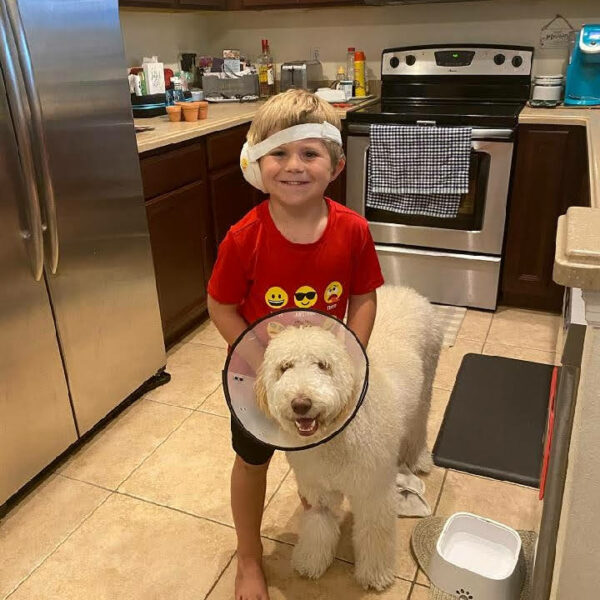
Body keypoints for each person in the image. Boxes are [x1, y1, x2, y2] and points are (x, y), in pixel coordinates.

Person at [207, 88, 384, 600]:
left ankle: (315, 510)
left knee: (318, 450)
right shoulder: (244, 238)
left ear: (336, 165)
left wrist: (351, 358)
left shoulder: (352, 230)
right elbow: (220, 306)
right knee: (253, 460)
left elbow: (364, 297)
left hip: (326, 376)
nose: (293, 166)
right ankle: (247, 558)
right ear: (255, 164)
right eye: (278, 154)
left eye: (309, 153)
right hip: (256, 378)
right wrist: (264, 363)